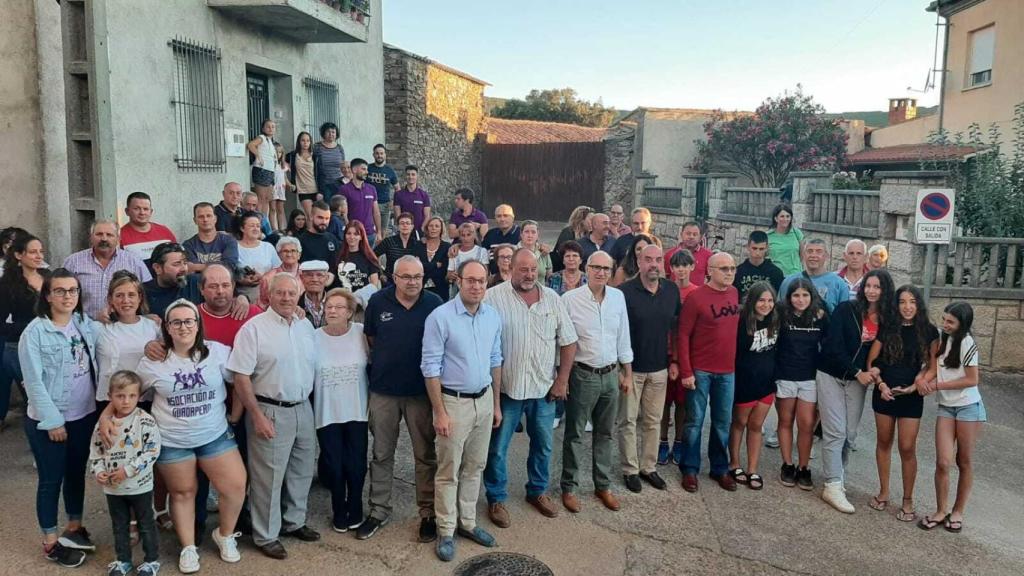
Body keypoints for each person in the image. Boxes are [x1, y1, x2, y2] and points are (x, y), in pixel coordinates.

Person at [130, 299, 245, 573]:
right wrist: (112, 417)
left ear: (198, 324)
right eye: (177, 322)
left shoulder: (217, 352)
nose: (183, 327)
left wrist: (235, 415)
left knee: (235, 486)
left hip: (214, 435)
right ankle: (188, 547)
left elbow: (240, 380)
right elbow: (131, 394)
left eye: (189, 321)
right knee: (182, 493)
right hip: (173, 441)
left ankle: (225, 535)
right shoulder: (152, 362)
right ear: (167, 328)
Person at [228, 273, 320, 559]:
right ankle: (266, 535)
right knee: (268, 477)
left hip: (303, 407)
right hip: (269, 409)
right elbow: (241, 376)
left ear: (298, 295)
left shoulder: (305, 325)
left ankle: (294, 521)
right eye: (280, 292)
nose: (286, 298)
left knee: (301, 470)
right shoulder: (253, 329)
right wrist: (256, 415)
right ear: (268, 295)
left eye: (291, 293)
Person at [483, 249, 578, 527]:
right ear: (510, 268)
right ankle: (496, 497)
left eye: (533, 269)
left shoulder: (552, 299)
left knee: (543, 446)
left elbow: (568, 341)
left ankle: (537, 491)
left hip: (543, 389)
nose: (529, 274)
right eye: (523, 269)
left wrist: (562, 380)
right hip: (507, 389)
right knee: (497, 449)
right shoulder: (492, 297)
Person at [421, 260, 503, 562]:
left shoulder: (492, 316)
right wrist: (440, 412)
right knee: (448, 470)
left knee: (474, 466)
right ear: (459, 281)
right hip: (453, 403)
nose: (476, 286)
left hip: (484, 401)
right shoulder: (440, 317)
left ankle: (467, 523)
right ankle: (446, 529)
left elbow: (496, 359)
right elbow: (430, 367)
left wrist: (495, 404)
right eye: (471, 280)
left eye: (481, 281)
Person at [359, 256, 443, 542]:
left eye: (417, 277)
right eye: (406, 276)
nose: (412, 282)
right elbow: (371, 339)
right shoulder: (378, 302)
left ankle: (428, 513)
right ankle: (378, 511)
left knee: (425, 455)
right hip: (383, 391)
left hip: (421, 392)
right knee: (381, 453)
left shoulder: (434, 303)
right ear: (394, 277)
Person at [19, 269, 100, 568]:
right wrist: (52, 421)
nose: (68, 296)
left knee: (76, 473)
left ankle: (74, 527)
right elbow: (33, 383)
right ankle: (51, 542)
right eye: (60, 291)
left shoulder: (83, 323)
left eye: (73, 290)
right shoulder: (35, 333)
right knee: (51, 479)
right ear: (48, 295)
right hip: (50, 421)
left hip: (84, 415)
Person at [816, 269, 895, 513]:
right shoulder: (846, 310)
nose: (871, 291)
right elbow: (833, 346)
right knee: (835, 431)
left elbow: (886, 353)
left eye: (877, 287)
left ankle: (839, 476)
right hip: (831, 374)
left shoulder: (888, 320)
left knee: (849, 433)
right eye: (868, 286)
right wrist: (856, 371)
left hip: (857, 381)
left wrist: (875, 370)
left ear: (885, 291)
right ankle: (832, 485)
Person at [561, 251, 633, 513]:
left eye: (606, 268)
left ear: (611, 271)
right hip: (583, 375)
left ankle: (602, 485)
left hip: (611, 375)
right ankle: (569, 487)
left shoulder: (617, 298)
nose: (601, 272)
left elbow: (623, 336)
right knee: (575, 434)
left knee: (605, 433)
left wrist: (627, 373)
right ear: (586, 268)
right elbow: (563, 340)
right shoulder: (570, 299)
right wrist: (562, 377)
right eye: (596, 267)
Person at [867, 284, 938, 522]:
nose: (907, 307)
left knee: (907, 448)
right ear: (896, 305)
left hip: (911, 396)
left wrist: (916, 384)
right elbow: (872, 361)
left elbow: (933, 367)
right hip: (885, 393)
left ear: (919, 305)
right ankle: (884, 492)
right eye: (902, 302)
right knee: (883, 442)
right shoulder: (888, 327)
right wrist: (881, 385)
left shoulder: (929, 331)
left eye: (912, 302)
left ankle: (908, 500)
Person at [676, 252, 741, 493]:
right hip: (700, 370)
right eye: (724, 268)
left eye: (732, 268)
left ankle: (719, 468)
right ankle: (690, 469)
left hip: (727, 371)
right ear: (710, 271)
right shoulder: (696, 298)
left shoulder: (734, 293)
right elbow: (683, 335)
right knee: (694, 422)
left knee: (723, 422)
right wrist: (686, 371)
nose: (729, 273)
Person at [917, 302, 984, 533]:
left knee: (963, 460)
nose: (945, 325)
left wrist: (938, 385)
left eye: (951, 322)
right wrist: (921, 381)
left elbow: (972, 379)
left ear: (962, 324)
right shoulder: (940, 339)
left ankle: (957, 511)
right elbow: (932, 369)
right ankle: (940, 510)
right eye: (944, 319)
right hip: (946, 406)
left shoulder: (967, 342)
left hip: (968, 406)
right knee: (942, 461)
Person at [88, 371, 161, 576]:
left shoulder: (145, 421)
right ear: (110, 396)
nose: (126, 401)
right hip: (113, 489)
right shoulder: (102, 425)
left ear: (139, 396)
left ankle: (151, 560)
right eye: (120, 396)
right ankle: (123, 560)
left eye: (131, 396)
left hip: (140, 485)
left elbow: (152, 451)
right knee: (119, 525)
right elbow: (96, 452)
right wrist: (99, 471)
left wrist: (128, 471)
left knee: (146, 524)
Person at [619, 245, 679, 493]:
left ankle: (648, 467)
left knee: (654, 421)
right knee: (628, 421)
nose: (654, 264)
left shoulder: (671, 290)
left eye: (658, 260)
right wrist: (623, 369)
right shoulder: (624, 292)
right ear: (639, 262)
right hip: (631, 369)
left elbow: (676, 328)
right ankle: (630, 470)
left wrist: (674, 361)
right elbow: (618, 332)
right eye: (648, 259)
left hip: (659, 368)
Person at [313, 288, 370, 533]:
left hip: (357, 410)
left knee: (356, 464)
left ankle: (355, 506)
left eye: (339, 307)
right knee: (334, 465)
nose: (333, 311)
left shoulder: (360, 333)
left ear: (350, 312)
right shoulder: (313, 336)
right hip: (327, 413)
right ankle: (338, 508)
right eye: (329, 306)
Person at [774, 278, 828, 490]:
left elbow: (829, 343)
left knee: (806, 424)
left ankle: (804, 467)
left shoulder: (820, 317)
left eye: (805, 295)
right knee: (785, 420)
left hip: (809, 377)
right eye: (796, 295)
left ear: (811, 296)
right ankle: (787, 464)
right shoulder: (781, 315)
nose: (801, 299)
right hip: (785, 375)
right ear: (789, 297)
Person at [727, 282, 779, 492]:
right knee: (739, 422)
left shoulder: (775, 320)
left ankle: (753, 468)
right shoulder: (742, 322)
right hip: (745, 381)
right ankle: (734, 463)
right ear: (752, 301)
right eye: (761, 300)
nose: (766, 305)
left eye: (770, 300)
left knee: (756, 425)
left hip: (766, 383)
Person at [0, 233, 48, 429]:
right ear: (19, 255)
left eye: (41, 251)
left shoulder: (48, 276)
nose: (39, 256)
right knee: (35, 400)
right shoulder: (7, 284)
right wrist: (29, 327)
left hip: (50, 343)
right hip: (21, 346)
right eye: (33, 252)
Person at [658, 248, 699, 466]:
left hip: (687, 354)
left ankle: (679, 442)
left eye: (685, 265)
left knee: (683, 403)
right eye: (676, 266)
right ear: (671, 268)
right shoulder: (665, 289)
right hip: (664, 351)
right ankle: (662, 441)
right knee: (664, 401)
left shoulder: (696, 292)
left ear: (692, 266)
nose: (681, 270)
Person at [63, 220, 152, 320]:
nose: (104, 239)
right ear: (91, 237)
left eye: (109, 235)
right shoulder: (73, 262)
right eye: (99, 234)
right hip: (83, 325)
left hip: (123, 325)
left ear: (118, 239)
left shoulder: (134, 262)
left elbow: (149, 293)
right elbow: (60, 294)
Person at [96, 272, 160, 408]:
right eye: (119, 295)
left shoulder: (153, 327)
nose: (125, 300)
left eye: (131, 295)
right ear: (110, 299)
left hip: (144, 400)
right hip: (108, 401)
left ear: (140, 297)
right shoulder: (100, 328)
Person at [778, 238, 848, 313]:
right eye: (809, 251)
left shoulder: (838, 284)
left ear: (827, 256)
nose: (813, 255)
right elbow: (780, 310)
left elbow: (844, 315)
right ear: (803, 255)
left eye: (819, 251)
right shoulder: (788, 281)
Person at [144, 242, 201, 318]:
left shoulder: (196, 283)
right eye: (176, 264)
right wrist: (143, 319)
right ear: (157, 268)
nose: (184, 269)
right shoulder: (143, 292)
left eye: (185, 263)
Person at [119, 192, 177, 263]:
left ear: (151, 211)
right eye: (136, 209)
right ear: (127, 211)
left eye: (146, 209)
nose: (142, 213)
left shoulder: (165, 232)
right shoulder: (119, 236)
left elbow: (177, 259)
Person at [236, 212, 281, 304]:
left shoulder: (268, 246)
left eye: (258, 226)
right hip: (243, 297)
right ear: (242, 228)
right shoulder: (234, 247)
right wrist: (241, 280)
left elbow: (278, 270)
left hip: (268, 295)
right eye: (252, 226)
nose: (256, 229)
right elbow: (229, 269)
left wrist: (263, 277)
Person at [183, 203, 239, 275]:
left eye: (209, 216)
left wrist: (197, 266)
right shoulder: (188, 245)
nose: (205, 219)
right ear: (195, 220)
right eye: (201, 217)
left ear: (215, 218)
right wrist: (220, 265)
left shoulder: (229, 241)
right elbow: (192, 271)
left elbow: (229, 265)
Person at [339, 158, 382, 245]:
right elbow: (343, 214)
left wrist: (379, 232)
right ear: (354, 170)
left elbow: (376, 212)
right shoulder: (344, 189)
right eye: (363, 169)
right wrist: (350, 232)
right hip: (354, 235)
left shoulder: (371, 189)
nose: (367, 172)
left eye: (367, 169)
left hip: (370, 234)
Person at [733, 230, 784, 299]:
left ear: (767, 248)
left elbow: (779, 298)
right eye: (754, 248)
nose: (757, 253)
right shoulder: (738, 272)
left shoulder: (776, 273)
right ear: (748, 247)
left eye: (761, 249)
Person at [374, 212, 422, 282]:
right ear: (398, 226)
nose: (405, 225)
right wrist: (380, 273)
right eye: (402, 223)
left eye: (407, 223)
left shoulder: (417, 244)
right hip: (390, 280)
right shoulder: (388, 241)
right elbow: (373, 256)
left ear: (412, 227)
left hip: (410, 281)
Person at [336, 220, 381, 292]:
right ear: (345, 236)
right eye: (349, 233)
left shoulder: (369, 257)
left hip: (363, 297)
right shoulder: (338, 255)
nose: (352, 237)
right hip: (341, 297)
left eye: (356, 234)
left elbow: (374, 285)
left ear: (361, 237)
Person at [447, 223, 489, 299]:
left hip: (477, 288)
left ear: (474, 235)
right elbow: (448, 275)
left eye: (469, 235)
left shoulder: (482, 252)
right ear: (459, 237)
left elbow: (486, 273)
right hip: (458, 291)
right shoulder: (454, 252)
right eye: (463, 235)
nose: (466, 238)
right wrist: (451, 275)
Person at [299, 202, 342, 274]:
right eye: (320, 217)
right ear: (311, 217)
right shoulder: (301, 241)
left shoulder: (332, 239)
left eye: (327, 218)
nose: (324, 222)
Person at [259, 237, 302, 309]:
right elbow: (263, 304)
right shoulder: (268, 278)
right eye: (285, 251)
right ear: (279, 255)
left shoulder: (308, 275)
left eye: (293, 251)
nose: (289, 254)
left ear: (299, 255)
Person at [286, 131, 319, 226]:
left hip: (315, 188)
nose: (305, 143)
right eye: (303, 140)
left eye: (308, 141)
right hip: (303, 190)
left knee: (316, 216)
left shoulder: (315, 156)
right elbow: (280, 165)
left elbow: (320, 173)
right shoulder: (292, 155)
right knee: (309, 216)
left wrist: (321, 190)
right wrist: (288, 182)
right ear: (299, 142)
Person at [664, 221, 711, 286]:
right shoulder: (670, 254)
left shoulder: (708, 255)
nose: (691, 237)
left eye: (695, 234)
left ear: (700, 237)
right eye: (688, 234)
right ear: (681, 235)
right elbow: (666, 277)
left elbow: (711, 278)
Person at [416, 216, 451, 302]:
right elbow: (416, 266)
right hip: (419, 288)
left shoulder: (447, 247)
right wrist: (435, 265)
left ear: (441, 229)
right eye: (431, 226)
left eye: (437, 226)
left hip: (441, 289)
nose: (433, 228)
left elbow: (444, 268)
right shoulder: (419, 245)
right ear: (427, 228)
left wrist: (424, 265)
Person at [367, 144, 400, 235]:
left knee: (383, 232)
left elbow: (397, 188)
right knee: (370, 231)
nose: (379, 155)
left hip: (385, 205)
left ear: (385, 155)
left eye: (381, 153)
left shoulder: (390, 170)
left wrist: (393, 201)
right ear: (373, 155)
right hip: (370, 204)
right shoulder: (367, 168)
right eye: (377, 153)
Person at [247, 119, 277, 217]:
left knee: (267, 199)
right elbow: (251, 145)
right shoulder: (262, 138)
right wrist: (258, 155)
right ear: (263, 128)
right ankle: (259, 220)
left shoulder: (271, 142)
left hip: (270, 171)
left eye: (273, 127)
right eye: (268, 126)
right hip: (261, 170)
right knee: (261, 198)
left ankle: (264, 220)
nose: (271, 128)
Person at [767, 203, 804, 276]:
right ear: (776, 218)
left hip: (795, 276)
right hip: (775, 275)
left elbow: (802, 256)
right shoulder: (768, 236)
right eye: (782, 216)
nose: (785, 219)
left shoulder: (797, 234)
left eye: (788, 216)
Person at [313, 122, 345, 202]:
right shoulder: (317, 147)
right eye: (328, 132)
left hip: (339, 183)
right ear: (323, 133)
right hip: (324, 184)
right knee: (327, 206)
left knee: (339, 205)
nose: (331, 134)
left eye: (333, 132)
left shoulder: (339, 148)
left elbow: (343, 165)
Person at [552, 205, 591, 271]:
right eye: (590, 219)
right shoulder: (568, 232)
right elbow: (562, 253)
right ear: (581, 219)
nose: (593, 222)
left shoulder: (589, 235)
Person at [297, 260, 334, 329]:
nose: (314, 279)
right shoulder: (295, 305)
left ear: (327, 278)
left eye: (319, 275)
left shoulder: (336, 305)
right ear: (301, 278)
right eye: (309, 275)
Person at [393, 165, 431, 230]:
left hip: (419, 231)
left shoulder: (424, 195)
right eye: (408, 174)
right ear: (405, 176)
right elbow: (398, 216)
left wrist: (422, 229)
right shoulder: (398, 195)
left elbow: (427, 216)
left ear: (417, 176)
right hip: (404, 231)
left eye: (413, 174)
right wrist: (403, 229)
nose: (410, 177)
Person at [271, 142, 289, 232]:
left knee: (281, 208)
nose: (278, 154)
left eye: (279, 152)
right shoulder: (270, 164)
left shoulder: (283, 165)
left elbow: (285, 177)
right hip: (273, 187)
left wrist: (290, 184)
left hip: (281, 188)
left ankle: (282, 228)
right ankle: (274, 228)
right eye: (275, 152)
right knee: (273, 208)